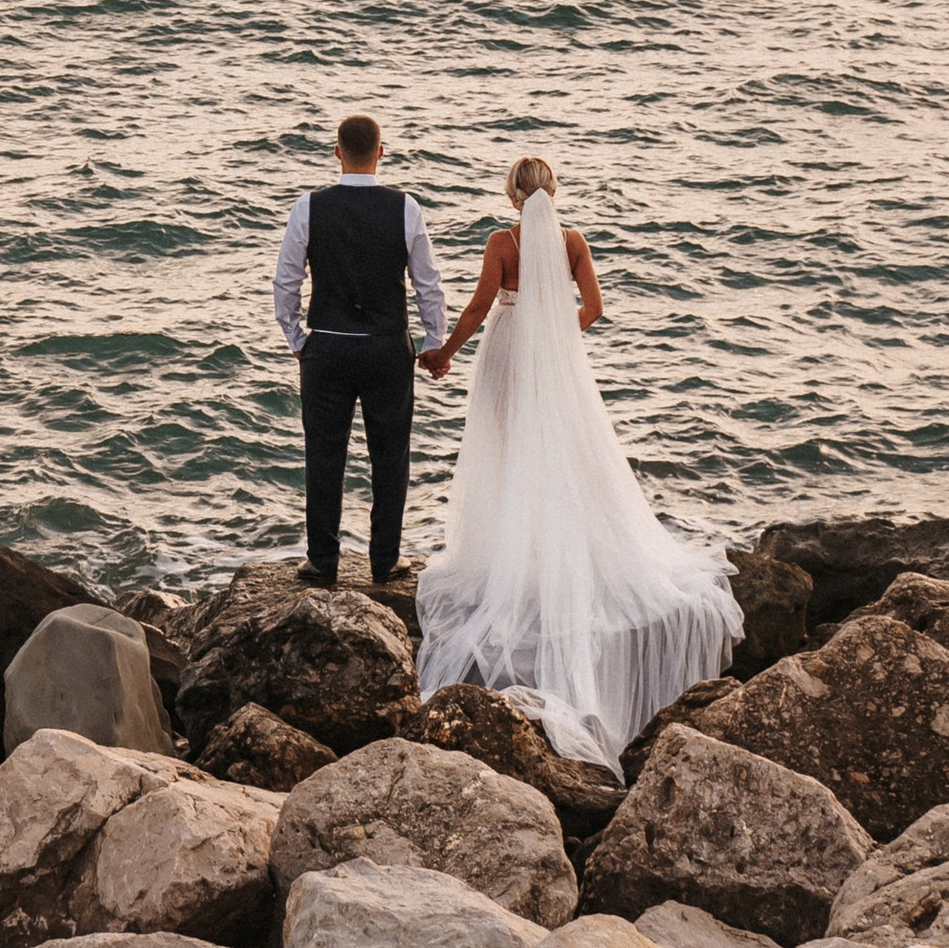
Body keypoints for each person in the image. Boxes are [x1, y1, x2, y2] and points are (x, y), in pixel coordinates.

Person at [415, 152, 738, 772]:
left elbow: (480, 306)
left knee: (505, 451)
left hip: (506, 350)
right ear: (553, 191)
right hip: (551, 356)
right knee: (558, 452)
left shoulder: (502, 243)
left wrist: (445, 352)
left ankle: (517, 556)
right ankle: (551, 552)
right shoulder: (573, 241)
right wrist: (556, 340)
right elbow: (593, 306)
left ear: (512, 195)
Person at [272, 115, 450, 589]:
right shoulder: (406, 207)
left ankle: (322, 561)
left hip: (328, 346)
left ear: (337, 151)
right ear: (381, 151)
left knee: (323, 454)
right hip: (386, 347)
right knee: (390, 456)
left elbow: (286, 282)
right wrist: (434, 343)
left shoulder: (308, 207)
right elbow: (428, 285)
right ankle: (385, 560)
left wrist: (298, 340)